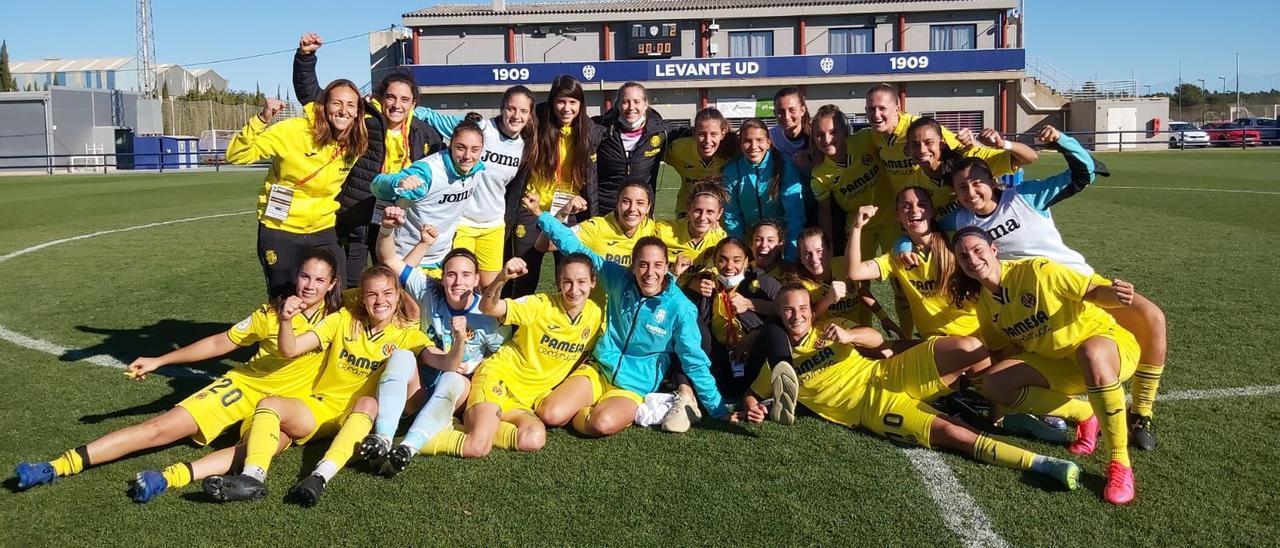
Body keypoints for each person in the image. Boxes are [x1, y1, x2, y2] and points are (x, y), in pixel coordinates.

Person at [12, 249, 342, 499]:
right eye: (305, 276)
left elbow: (385, 289)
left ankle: (168, 477)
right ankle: (56, 466)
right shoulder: (271, 312)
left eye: (319, 279)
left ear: (333, 284)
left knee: (257, 448)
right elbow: (219, 343)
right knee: (159, 428)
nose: (310, 285)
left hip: (289, 404)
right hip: (244, 384)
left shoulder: (340, 317)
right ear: (296, 276)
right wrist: (160, 360)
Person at [931, 126, 1165, 450]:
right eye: (961, 188)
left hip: (1076, 282)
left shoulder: (1026, 196)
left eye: (977, 182)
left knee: (1152, 318)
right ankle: (1067, 409)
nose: (971, 192)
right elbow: (923, 228)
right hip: (1031, 301)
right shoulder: (958, 222)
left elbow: (1084, 174)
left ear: (993, 179)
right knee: (1035, 357)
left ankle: (1140, 413)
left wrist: (1061, 141)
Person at [740, 284, 1081, 491]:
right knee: (954, 434)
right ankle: (1042, 464)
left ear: (810, 311)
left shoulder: (829, 328)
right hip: (870, 409)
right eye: (789, 310)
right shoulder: (779, 361)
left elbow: (875, 338)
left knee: (970, 348)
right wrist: (752, 405)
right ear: (780, 314)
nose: (797, 315)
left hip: (887, 372)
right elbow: (754, 393)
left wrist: (849, 336)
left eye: (802, 308)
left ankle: (1000, 413)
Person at [199, 266, 457, 506]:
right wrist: (287, 321)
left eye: (388, 293)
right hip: (322, 406)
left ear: (399, 297)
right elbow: (290, 349)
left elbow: (444, 361)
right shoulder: (343, 319)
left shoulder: (407, 334)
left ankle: (319, 477)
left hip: (360, 416)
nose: (380, 301)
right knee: (269, 404)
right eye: (372, 294)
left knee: (368, 402)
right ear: (362, 298)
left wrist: (459, 343)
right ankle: (252, 476)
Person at [950, 227, 1140, 505]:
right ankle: (1085, 413)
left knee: (1090, 352)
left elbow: (1093, 292)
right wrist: (994, 398)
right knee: (992, 383)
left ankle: (1120, 462)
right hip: (1061, 365)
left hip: (1109, 350)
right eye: (963, 256)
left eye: (977, 250)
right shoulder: (986, 304)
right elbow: (1002, 352)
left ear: (994, 250)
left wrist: (1116, 295)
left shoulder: (1038, 271)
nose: (972, 259)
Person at [525, 192, 730, 437]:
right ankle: (580, 407)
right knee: (551, 415)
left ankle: (595, 410)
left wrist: (718, 409)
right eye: (642, 265)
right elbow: (574, 247)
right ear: (633, 266)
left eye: (657, 266)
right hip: (600, 369)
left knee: (600, 424)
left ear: (666, 267)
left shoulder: (680, 306)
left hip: (635, 385)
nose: (649, 273)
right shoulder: (618, 279)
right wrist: (540, 214)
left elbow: (694, 360)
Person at [355, 207, 505, 475]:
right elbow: (388, 257)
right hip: (419, 386)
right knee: (402, 355)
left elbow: (500, 357)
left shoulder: (488, 315)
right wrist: (388, 228)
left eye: (466, 275)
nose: (458, 281)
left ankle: (407, 448)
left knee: (453, 378)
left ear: (477, 279)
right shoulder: (428, 289)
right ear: (442, 276)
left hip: (454, 393)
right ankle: (383, 438)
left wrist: (471, 368)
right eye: (451, 274)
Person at [293, 32, 444, 288]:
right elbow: (313, 97)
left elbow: (441, 171)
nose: (397, 105)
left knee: (389, 280)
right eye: (391, 97)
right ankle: (345, 324)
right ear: (381, 97)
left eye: (405, 99)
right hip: (358, 213)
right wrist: (306, 57)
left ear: (414, 103)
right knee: (350, 281)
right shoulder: (364, 121)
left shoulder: (425, 133)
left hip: (399, 218)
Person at [420, 254, 603, 458]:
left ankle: (466, 423)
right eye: (567, 282)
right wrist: (502, 278)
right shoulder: (539, 305)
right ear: (559, 282)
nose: (574, 289)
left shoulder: (595, 315)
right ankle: (403, 444)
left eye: (581, 282)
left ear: (593, 283)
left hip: (525, 400)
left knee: (533, 438)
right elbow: (487, 307)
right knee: (478, 446)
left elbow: (583, 356)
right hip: (499, 378)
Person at [226, 80, 367, 298]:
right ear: (324, 106)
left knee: (336, 296)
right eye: (337, 103)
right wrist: (262, 119)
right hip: (281, 227)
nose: (343, 110)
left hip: (323, 229)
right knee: (284, 299)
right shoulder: (293, 130)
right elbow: (236, 155)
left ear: (358, 112)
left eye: (350, 105)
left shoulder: (355, 142)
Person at [413, 85, 535, 286]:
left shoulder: (525, 146)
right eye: (511, 108)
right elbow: (431, 116)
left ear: (530, 116)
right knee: (462, 284)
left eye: (523, 111)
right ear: (502, 108)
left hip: (493, 224)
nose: (516, 116)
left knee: (489, 287)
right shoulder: (481, 129)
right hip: (463, 222)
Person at [505, 75, 607, 297]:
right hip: (532, 208)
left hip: (568, 210)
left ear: (581, 105)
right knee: (524, 276)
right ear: (552, 102)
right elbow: (503, 124)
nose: (566, 108)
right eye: (561, 101)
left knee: (571, 276)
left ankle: (567, 327)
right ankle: (515, 328)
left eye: (573, 102)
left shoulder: (590, 132)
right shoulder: (536, 125)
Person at [665, 238, 780, 432]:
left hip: (753, 358)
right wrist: (687, 284)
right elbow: (670, 305)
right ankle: (685, 394)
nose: (729, 266)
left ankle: (772, 394)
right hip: (720, 359)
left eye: (736, 260)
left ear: (746, 261)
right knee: (685, 328)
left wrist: (753, 333)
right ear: (715, 261)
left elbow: (787, 312)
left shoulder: (763, 282)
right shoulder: (705, 282)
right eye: (723, 260)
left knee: (774, 332)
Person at [846, 190, 978, 339]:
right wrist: (856, 228)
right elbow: (854, 272)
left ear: (932, 211)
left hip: (978, 331)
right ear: (897, 215)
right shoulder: (897, 258)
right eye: (906, 206)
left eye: (921, 205)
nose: (915, 210)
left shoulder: (956, 242)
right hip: (937, 340)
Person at [370, 117, 486, 276]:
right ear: (451, 144)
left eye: (475, 149)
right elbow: (376, 185)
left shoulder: (478, 169)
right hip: (407, 257)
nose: (467, 156)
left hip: (442, 257)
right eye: (461, 148)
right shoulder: (428, 171)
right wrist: (398, 182)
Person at [901, 116, 1037, 217]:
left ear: (942, 143)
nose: (922, 150)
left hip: (990, 239)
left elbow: (1030, 157)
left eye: (929, 142)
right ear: (907, 150)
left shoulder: (971, 159)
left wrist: (1002, 144)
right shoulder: (912, 184)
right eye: (915, 145)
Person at [721, 118, 805, 261]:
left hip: (780, 242)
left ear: (768, 143)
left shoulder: (784, 165)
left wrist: (791, 254)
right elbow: (731, 215)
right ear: (740, 144)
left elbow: (794, 213)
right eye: (747, 141)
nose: (754, 146)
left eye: (759, 140)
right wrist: (740, 251)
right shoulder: (732, 170)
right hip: (750, 242)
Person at [792, 228, 902, 337]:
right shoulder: (799, 287)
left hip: (858, 333)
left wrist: (884, 317)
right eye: (807, 253)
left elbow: (861, 290)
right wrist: (829, 299)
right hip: (829, 341)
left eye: (819, 251)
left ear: (830, 250)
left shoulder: (842, 264)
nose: (814, 259)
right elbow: (807, 318)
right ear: (801, 258)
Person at [593, 82, 669, 214]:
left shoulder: (661, 131)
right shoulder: (598, 128)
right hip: (605, 211)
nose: (631, 107)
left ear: (646, 104)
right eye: (625, 102)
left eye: (636, 102)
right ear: (617, 105)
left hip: (639, 212)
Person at [561, 180, 659, 268]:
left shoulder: (651, 228)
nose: (632, 208)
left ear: (648, 207)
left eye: (640, 203)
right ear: (617, 203)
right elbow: (550, 244)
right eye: (626, 201)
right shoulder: (596, 227)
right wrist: (562, 213)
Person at [665, 107, 738, 218]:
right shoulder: (678, 149)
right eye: (702, 134)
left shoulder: (733, 152)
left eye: (713, 134)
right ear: (694, 133)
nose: (708, 141)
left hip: (720, 214)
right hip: (687, 212)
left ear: (723, 133)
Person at [657, 181, 729, 276]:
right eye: (698, 211)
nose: (702, 217)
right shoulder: (662, 230)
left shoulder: (719, 238)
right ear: (688, 209)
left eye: (710, 212)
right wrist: (673, 273)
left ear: (719, 214)